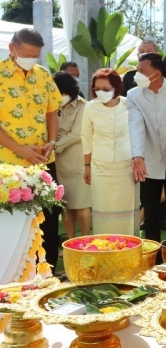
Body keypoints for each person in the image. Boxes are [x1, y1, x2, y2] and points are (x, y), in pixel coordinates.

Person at [0, 28, 63, 267]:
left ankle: (48, 274)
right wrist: (20, 149)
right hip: (8, 165)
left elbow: (52, 112)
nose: (31, 59)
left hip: (43, 161)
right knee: (13, 221)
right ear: (12, 49)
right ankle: (13, 274)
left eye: (35, 55)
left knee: (48, 219)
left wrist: (52, 141)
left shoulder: (43, 74)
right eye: (26, 53)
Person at [127, 52, 166, 240]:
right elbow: (136, 126)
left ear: (157, 73)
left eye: (142, 71)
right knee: (150, 211)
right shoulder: (133, 95)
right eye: (137, 70)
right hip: (148, 161)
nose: (138, 74)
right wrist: (138, 156)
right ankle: (153, 256)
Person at [81, 69, 139, 235]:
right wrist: (87, 165)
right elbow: (86, 136)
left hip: (127, 164)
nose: (101, 93)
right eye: (97, 89)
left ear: (116, 87)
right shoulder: (90, 107)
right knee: (102, 207)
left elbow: (138, 133)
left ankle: (129, 248)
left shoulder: (130, 104)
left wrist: (138, 160)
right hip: (100, 165)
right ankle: (103, 249)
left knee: (126, 208)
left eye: (105, 89)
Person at [52, 71, 92, 240]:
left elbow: (76, 134)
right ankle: (69, 243)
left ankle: (85, 240)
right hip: (58, 162)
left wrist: (53, 146)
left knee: (82, 206)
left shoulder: (84, 106)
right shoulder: (52, 105)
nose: (60, 96)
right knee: (65, 205)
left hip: (77, 161)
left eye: (62, 93)